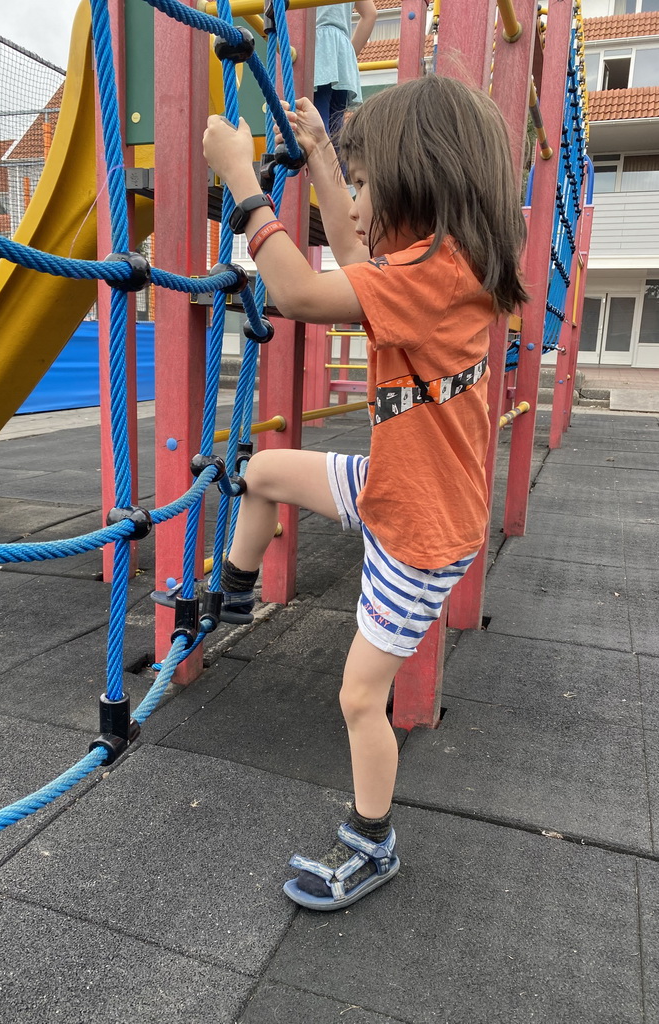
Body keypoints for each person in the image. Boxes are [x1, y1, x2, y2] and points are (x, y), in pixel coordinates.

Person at [202, 75, 528, 911]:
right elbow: (351, 253)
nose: (354, 196)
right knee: (265, 470)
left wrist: (243, 184)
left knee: (358, 695)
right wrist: (316, 154)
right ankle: (233, 596)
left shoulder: (435, 277)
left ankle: (372, 841)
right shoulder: (439, 266)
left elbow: (302, 290)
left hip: (419, 533)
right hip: (398, 487)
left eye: (363, 179)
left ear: (418, 180)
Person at [313, 0, 377, 135]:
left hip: (319, 46)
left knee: (316, 122)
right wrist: (347, 55)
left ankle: (320, 156)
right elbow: (370, 14)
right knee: (336, 126)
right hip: (341, 52)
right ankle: (337, 156)